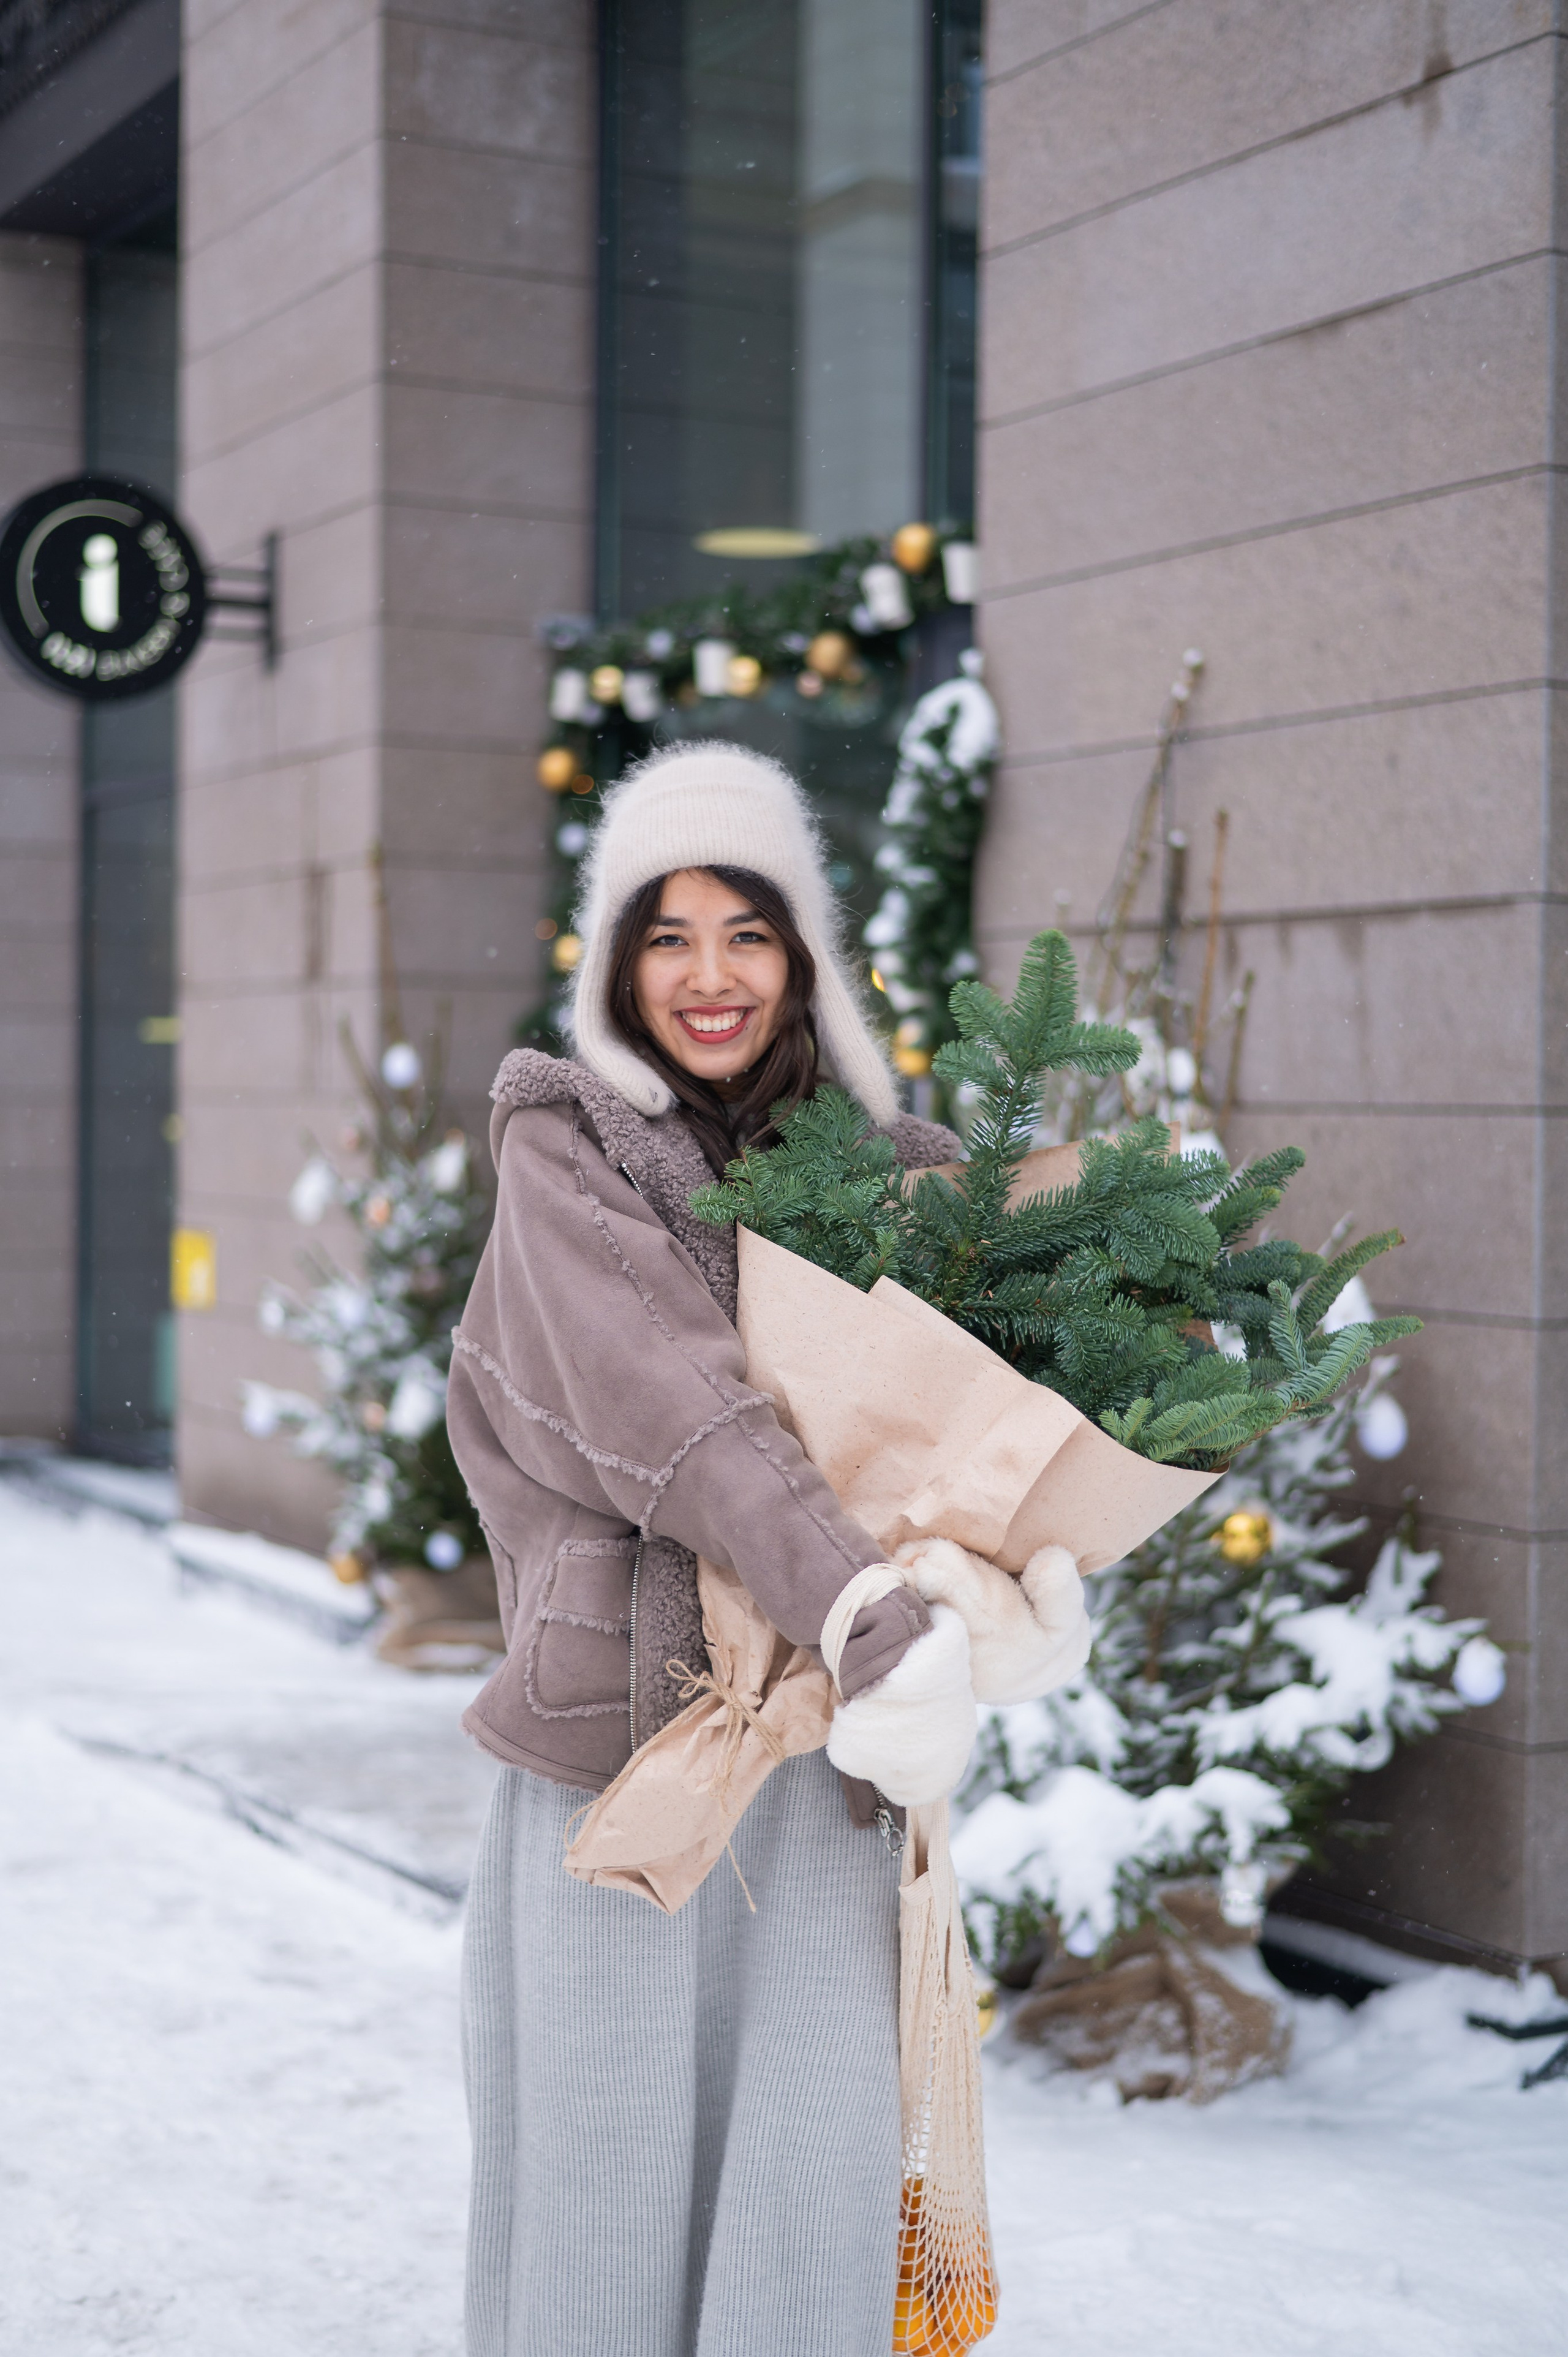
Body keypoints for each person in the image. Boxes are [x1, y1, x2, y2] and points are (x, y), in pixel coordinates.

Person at [448, 741, 979, 2357]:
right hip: (623, 1755)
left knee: (806, 2175)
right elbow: (669, 1407)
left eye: (746, 931)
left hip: (822, 1764)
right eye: (665, 935)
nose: (709, 976)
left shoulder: (909, 1181)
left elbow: (972, 1449)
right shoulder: (567, 1147)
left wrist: (1006, 1594)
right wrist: (869, 1603)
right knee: (605, 2183)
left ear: (801, 950)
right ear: (616, 957)